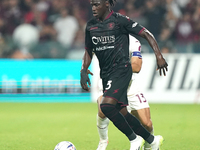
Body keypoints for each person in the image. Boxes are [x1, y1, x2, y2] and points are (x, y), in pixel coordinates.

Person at [80, 0, 168, 149]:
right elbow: (89, 50)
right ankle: (152, 141)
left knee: (106, 107)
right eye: (92, 5)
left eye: (97, 5)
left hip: (121, 70)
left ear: (107, 4)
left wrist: (158, 56)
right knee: (122, 113)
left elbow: (146, 33)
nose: (93, 8)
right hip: (106, 73)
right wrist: (83, 69)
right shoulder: (90, 26)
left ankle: (134, 139)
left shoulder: (120, 21)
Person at [96, 36, 154, 150]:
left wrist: (117, 69)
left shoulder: (133, 41)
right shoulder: (103, 37)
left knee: (147, 124)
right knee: (103, 111)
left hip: (129, 84)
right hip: (108, 81)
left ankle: (150, 144)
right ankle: (103, 141)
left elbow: (137, 67)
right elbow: (89, 51)